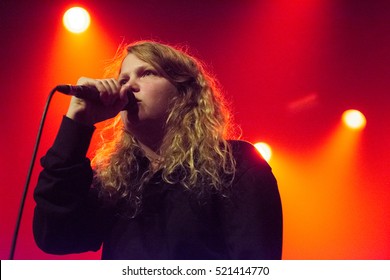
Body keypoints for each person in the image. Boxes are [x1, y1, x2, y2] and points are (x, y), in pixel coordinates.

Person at [33, 40, 283, 259]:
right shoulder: (117, 182)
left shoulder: (234, 163)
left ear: (185, 93)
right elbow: (55, 237)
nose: (128, 86)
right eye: (123, 79)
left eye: (147, 73)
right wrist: (77, 123)